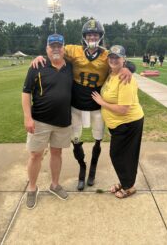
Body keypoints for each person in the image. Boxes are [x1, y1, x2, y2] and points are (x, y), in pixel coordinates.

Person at [32, 19, 135, 191]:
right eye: (89, 34)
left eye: (95, 34)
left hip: (96, 106)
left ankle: (93, 168)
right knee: (76, 139)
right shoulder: (74, 50)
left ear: (101, 37)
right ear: (84, 36)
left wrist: (127, 68)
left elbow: (125, 62)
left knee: (98, 139)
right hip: (76, 105)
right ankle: (82, 167)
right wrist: (40, 57)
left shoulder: (106, 55)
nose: (92, 37)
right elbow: (55, 52)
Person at [22, 34, 73, 209]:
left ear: (64, 48)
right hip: (40, 121)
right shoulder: (37, 66)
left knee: (57, 153)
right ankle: (32, 188)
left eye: (59, 46)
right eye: (53, 46)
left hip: (63, 121)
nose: (56, 49)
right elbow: (26, 93)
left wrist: (127, 67)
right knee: (35, 154)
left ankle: (55, 184)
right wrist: (27, 117)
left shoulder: (71, 67)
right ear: (47, 49)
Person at [92, 45, 144, 199]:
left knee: (119, 155)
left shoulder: (125, 79)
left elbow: (123, 109)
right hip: (119, 125)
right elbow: (100, 47)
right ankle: (125, 182)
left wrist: (102, 102)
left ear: (124, 60)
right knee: (123, 155)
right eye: (111, 57)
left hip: (129, 123)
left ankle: (129, 187)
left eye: (117, 57)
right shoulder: (112, 73)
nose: (113, 60)